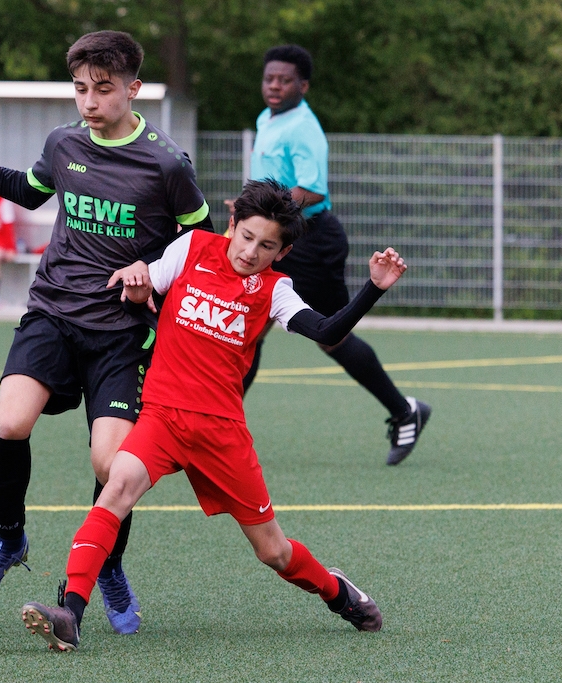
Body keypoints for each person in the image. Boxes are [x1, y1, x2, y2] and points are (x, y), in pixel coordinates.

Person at [0, 30, 212, 635]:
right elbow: (27, 190)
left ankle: (108, 564)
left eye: (103, 89)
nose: (89, 102)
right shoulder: (63, 142)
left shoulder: (167, 163)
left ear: (133, 89)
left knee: (111, 464)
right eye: (80, 89)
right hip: (53, 311)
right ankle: (8, 541)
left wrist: (152, 274)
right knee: (10, 423)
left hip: (122, 332)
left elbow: (199, 245)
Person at [20, 179, 400, 651]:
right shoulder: (192, 248)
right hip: (162, 417)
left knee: (273, 551)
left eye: (267, 246)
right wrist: (137, 284)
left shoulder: (276, 289)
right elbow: (143, 290)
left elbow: (325, 329)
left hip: (222, 433)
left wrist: (373, 288)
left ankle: (338, 593)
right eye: (247, 237)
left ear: (282, 252)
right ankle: (70, 614)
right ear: (232, 225)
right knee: (116, 488)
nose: (251, 252)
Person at [238, 45, 430, 465]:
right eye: (269, 78)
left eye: (284, 80)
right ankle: (216, 424)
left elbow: (312, 190)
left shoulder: (304, 128)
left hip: (311, 243)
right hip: (276, 237)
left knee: (331, 337)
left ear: (303, 86)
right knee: (248, 328)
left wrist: (261, 210)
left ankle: (404, 411)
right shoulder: (267, 118)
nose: (274, 85)